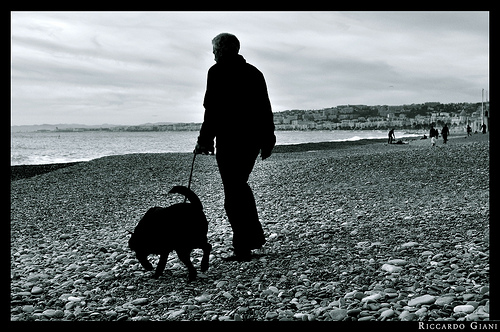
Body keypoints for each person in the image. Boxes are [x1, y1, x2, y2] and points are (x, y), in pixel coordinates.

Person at [194, 33, 276, 262]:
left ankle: (244, 245)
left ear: (223, 51)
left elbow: (212, 110)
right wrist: (268, 139)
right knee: (238, 187)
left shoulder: (217, 72)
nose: (213, 55)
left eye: (214, 51)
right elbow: (264, 109)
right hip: (251, 141)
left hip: (230, 141)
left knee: (233, 192)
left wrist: (204, 140)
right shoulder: (254, 73)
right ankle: (249, 240)